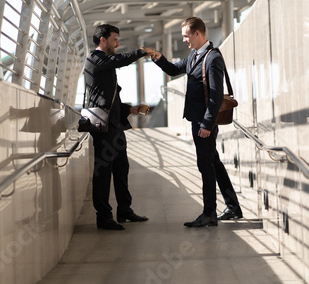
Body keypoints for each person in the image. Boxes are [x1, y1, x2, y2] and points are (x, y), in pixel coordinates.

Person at [148, 17, 243, 227]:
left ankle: (209, 213)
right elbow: (174, 70)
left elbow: (217, 95)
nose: (184, 40)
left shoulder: (212, 58)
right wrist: (158, 57)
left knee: (205, 166)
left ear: (197, 33)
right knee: (214, 164)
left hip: (204, 123)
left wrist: (207, 125)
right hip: (197, 120)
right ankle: (233, 206)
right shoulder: (194, 55)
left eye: (186, 36)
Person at [83, 24, 151, 230]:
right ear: (102, 40)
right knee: (102, 173)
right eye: (114, 39)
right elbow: (120, 60)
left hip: (114, 126)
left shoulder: (106, 64)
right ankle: (103, 216)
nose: (118, 44)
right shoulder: (95, 59)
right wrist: (141, 51)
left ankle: (124, 210)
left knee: (122, 168)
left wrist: (131, 110)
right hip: (102, 127)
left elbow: (110, 99)